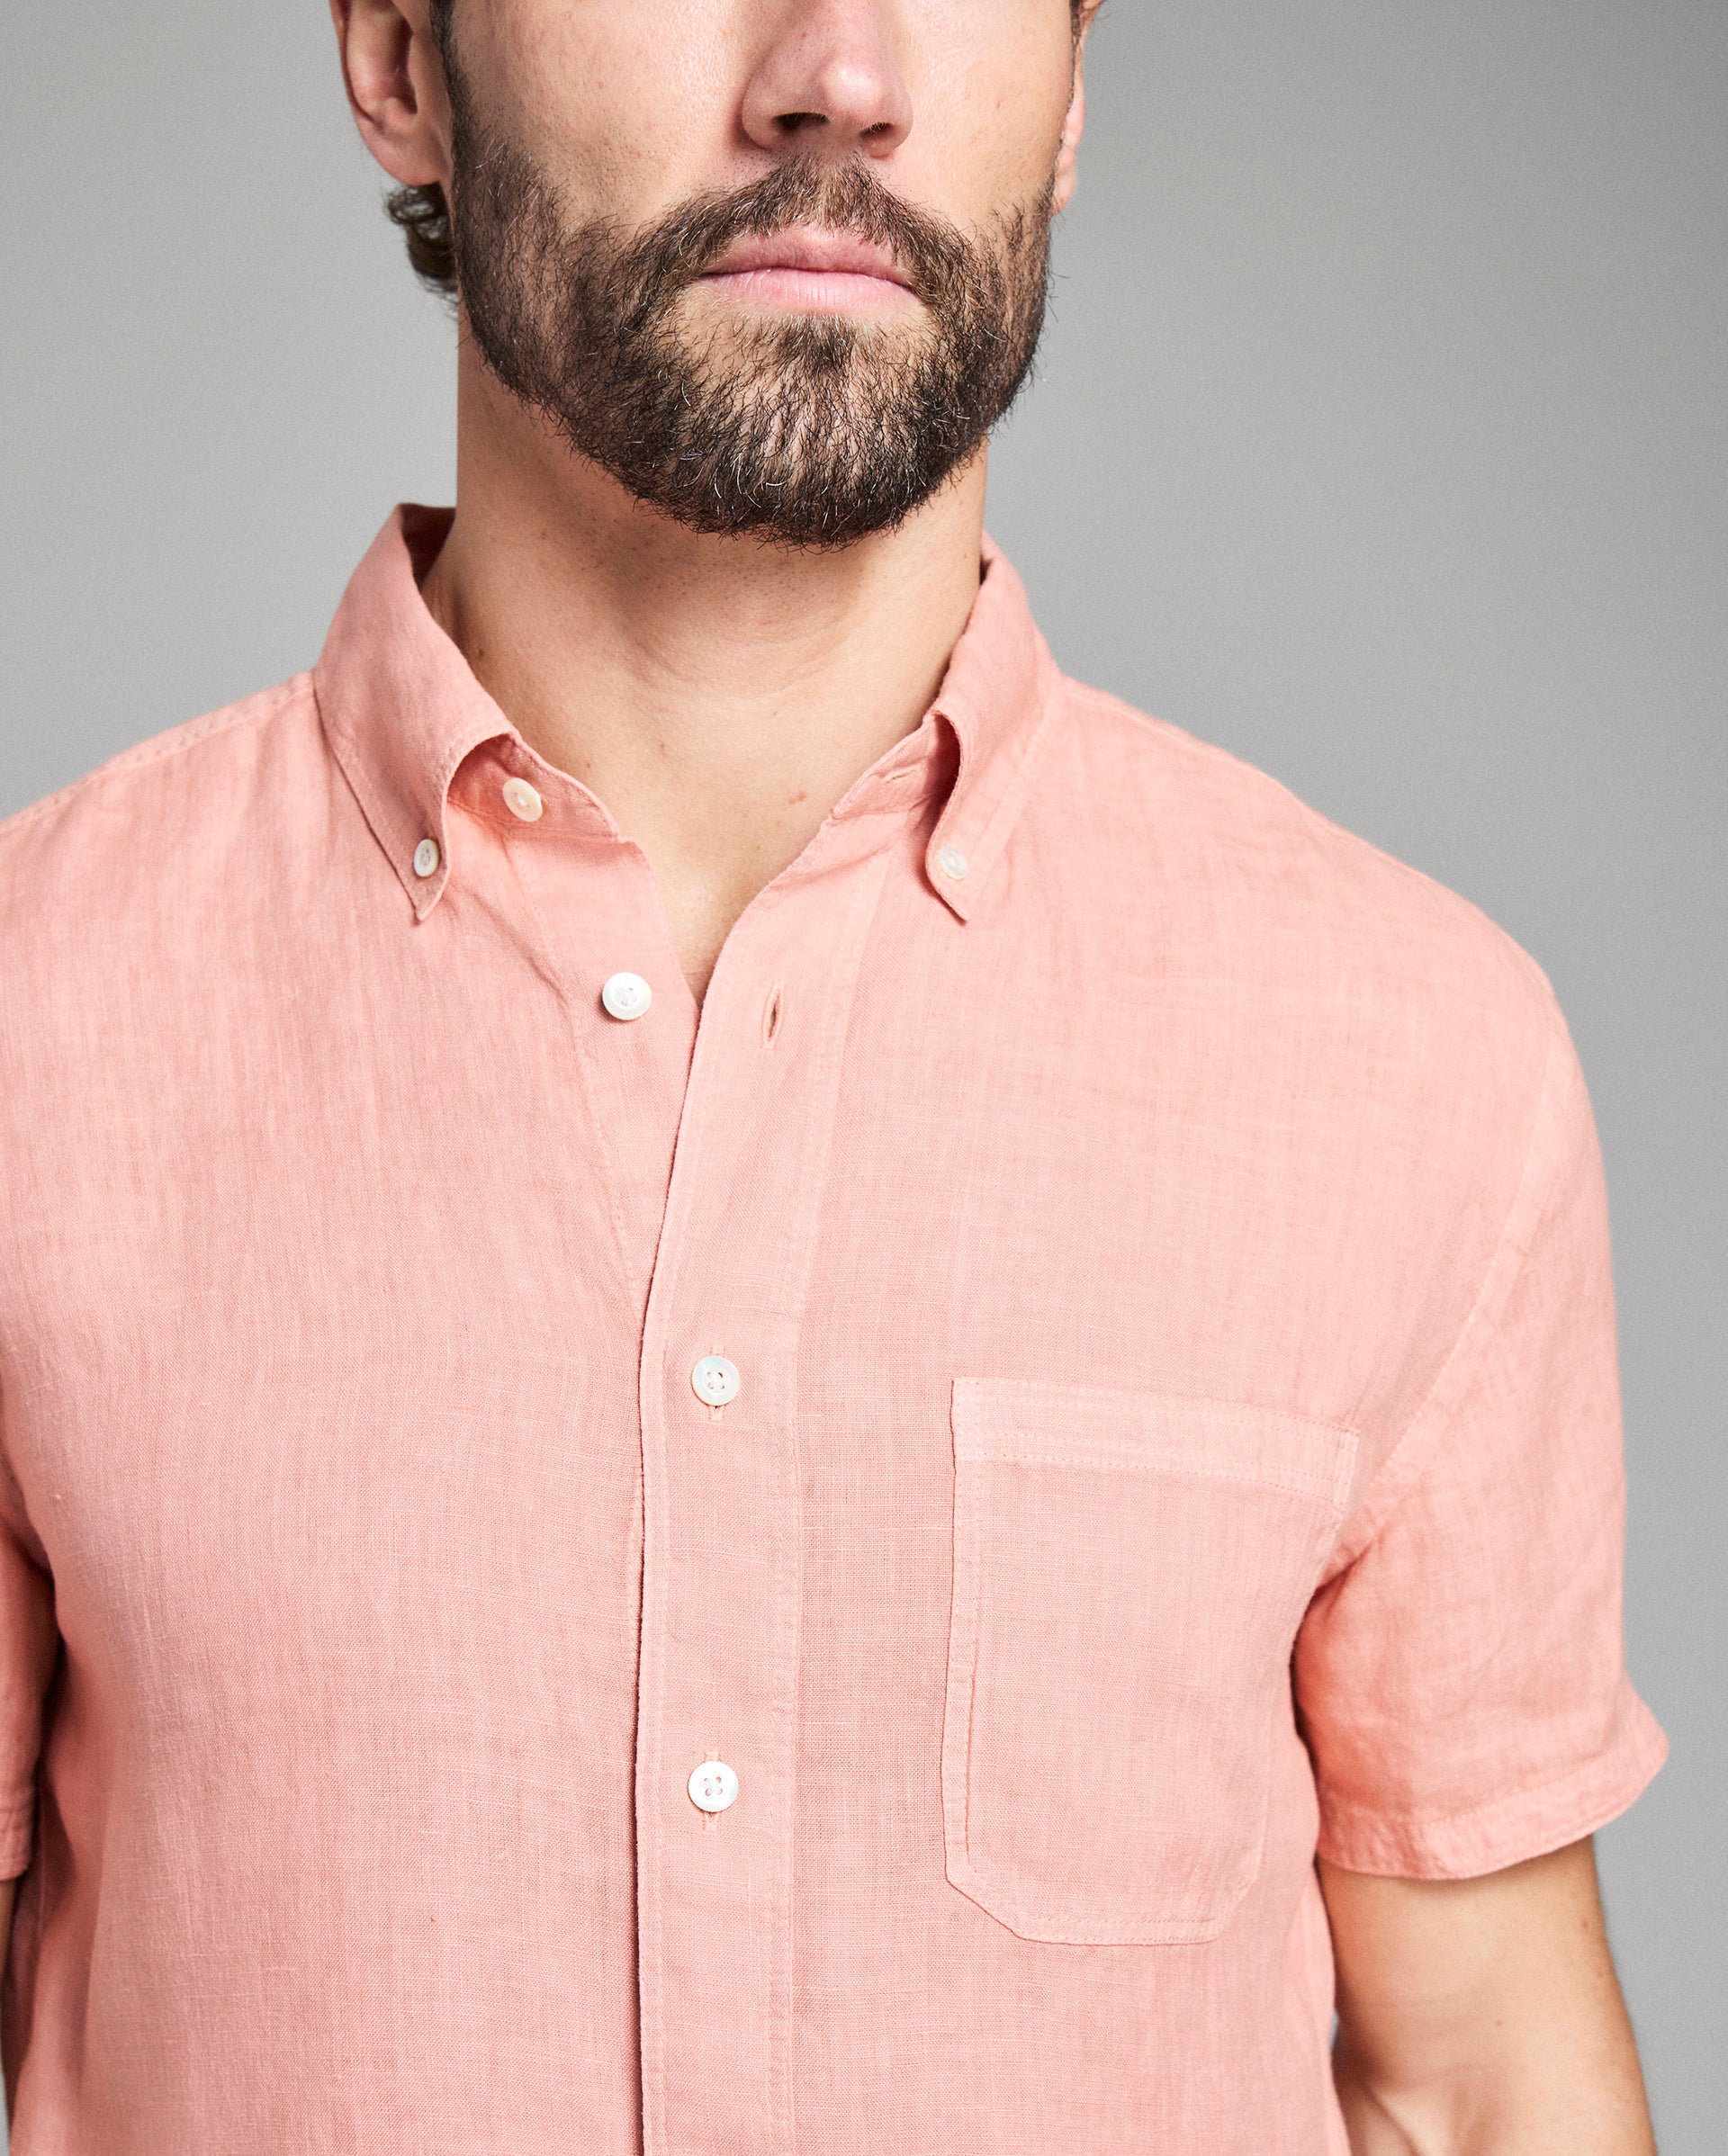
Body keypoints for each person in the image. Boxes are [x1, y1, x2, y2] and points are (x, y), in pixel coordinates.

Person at [0, 1, 1668, 2148]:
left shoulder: (1428, 1063)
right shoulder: (40, 1023)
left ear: (1069, 95)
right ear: (403, 54)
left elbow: (1486, 2087)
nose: (841, 72)